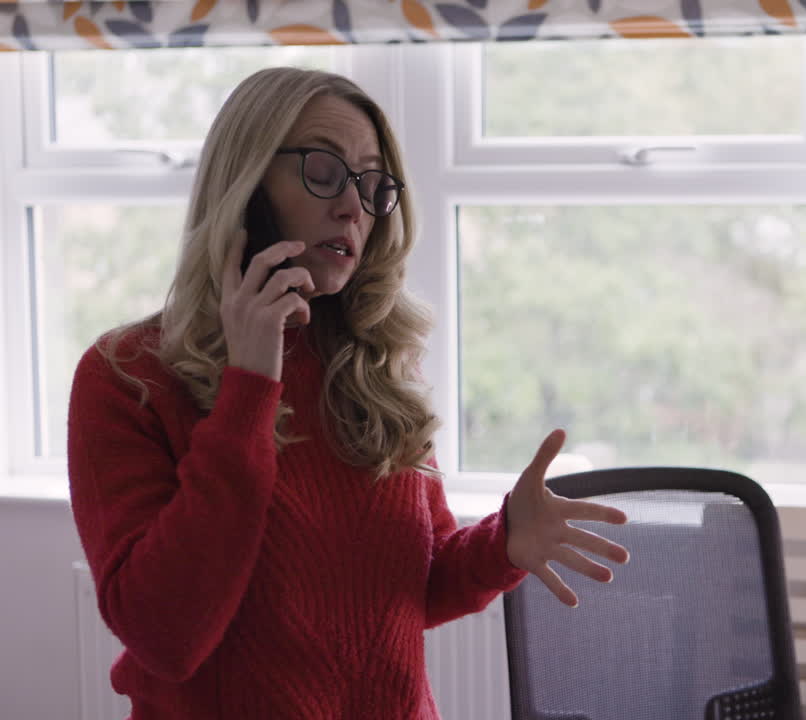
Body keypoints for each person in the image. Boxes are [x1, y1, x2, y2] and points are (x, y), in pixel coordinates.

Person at [66, 67, 629, 720]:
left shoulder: (378, 366)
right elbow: (166, 636)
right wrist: (249, 390)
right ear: (246, 186)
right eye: (324, 172)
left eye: (370, 183)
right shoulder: (127, 377)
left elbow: (412, 586)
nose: (352, 206)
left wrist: (503, 543)